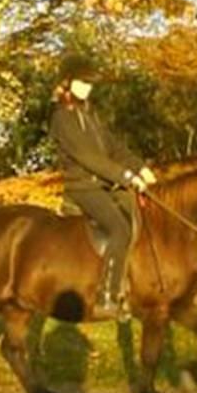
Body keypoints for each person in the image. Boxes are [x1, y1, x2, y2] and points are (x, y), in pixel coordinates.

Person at [49, 52, 157, 319]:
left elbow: (114, 148)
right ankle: (106, 296)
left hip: (103, 185)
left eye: (90, 83)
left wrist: (140, 167)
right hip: (83, 187)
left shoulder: (91, 116)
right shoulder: (62, 118)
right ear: (67, 83)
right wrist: (127, 177)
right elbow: (89, 158)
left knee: (138, 219)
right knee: (119, 228)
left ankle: (131, 288)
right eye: (82, 82)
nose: (88, 88)